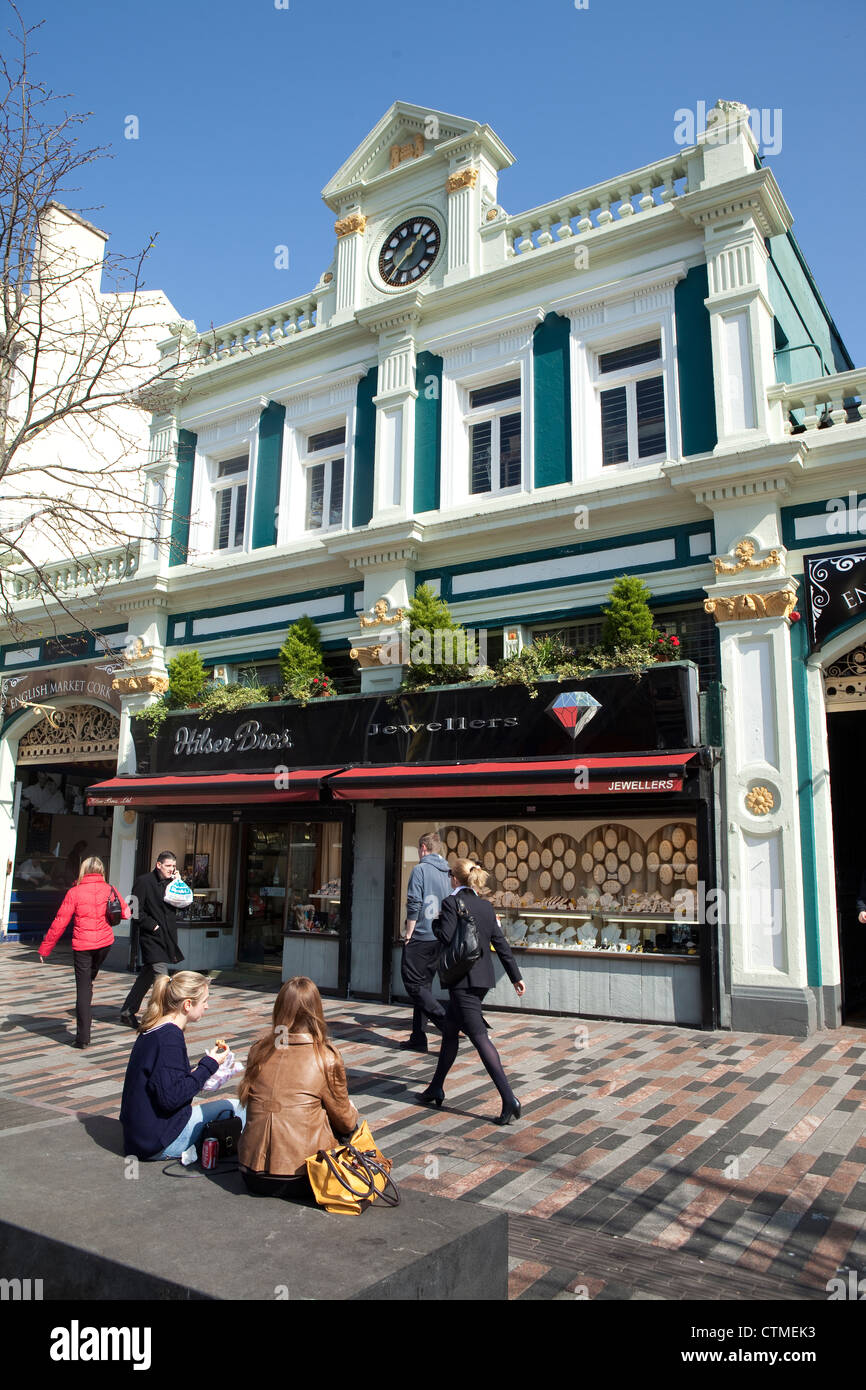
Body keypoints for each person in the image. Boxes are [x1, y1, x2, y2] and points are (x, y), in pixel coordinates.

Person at [417, 858, 526, 1126]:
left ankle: (509, 1099)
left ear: (454, 879)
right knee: (451, 1032)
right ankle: (436, 1087)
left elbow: (445, 935)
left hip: (462, 980)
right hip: (481, 980)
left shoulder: (451, 903)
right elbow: (500, 943)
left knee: (479, 1038)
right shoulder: (486, 906)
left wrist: (435, 922)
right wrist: (515, 976)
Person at [238, 976, 358, 1198]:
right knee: (349, 1126)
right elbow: (345, 1122)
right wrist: (352, 1110)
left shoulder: (259, 1050)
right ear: (316, 1011)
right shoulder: (325, 1057)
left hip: (250, 1173)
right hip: (304, 1176)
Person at [120, 971, 244, 1160]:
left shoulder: (153, 1029)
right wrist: (209, 1066)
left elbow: (163, 1082)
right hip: (158, 1141)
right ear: (187, 1004)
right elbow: (171, 1098)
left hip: (139, 1136)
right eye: (204, 1001)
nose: (207, 1006)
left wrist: (201, 1073)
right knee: (238, 1107)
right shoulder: (170, 1038)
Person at [37, 856, 131, 1049]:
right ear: (102, 871)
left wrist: (45, 948)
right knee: (88, 983)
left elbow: (60, 921)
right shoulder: (109, 889)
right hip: (104, 944)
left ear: (82, 871)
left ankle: (82, 1038)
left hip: (82, 946)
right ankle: (88, 989)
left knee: (83, 989)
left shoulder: (74, 892)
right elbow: (126, 913)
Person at [120, 850, 185, 1027]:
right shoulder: (144, 881)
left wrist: (178, 882)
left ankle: (127, 1011)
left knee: (146, 976)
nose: (172, 869)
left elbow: (185, 901)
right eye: (168, 866)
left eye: (174, 866)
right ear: (159, 865)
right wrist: (152, 926)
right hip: (152, 938)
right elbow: (133, 909)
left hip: (167, 936)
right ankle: (163, 1017)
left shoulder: (172, 882)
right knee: (162, 979)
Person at [400, 831, 451, 1052]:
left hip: (421, 934)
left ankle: (445, 1023)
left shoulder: (420, 870)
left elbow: (414, 902)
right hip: (440, 937)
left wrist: (408, 932)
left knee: (412, 982)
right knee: (424, 988)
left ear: (423, 848)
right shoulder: (448, 871)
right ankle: (418, 1036)